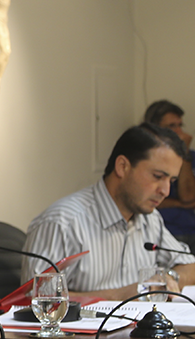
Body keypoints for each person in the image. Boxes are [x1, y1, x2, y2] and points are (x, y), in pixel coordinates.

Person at [21, 122, 195, 299]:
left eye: (171, 181)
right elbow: (34, 299)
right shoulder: (62, 222)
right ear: (122, 167)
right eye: (158, 177)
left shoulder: (150, 219)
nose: (165, 191)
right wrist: (116, 296)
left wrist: (169, 278)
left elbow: (191, 267)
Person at [145, 100, 195, 250]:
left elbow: (189, 196)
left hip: (191, 231)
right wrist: (179, 203)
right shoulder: (145, 158)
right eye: (171, 126)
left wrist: (184, 154)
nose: (179, 132)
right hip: (163, 233)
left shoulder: (191, 156)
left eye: (180, 125)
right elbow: (143, 197)